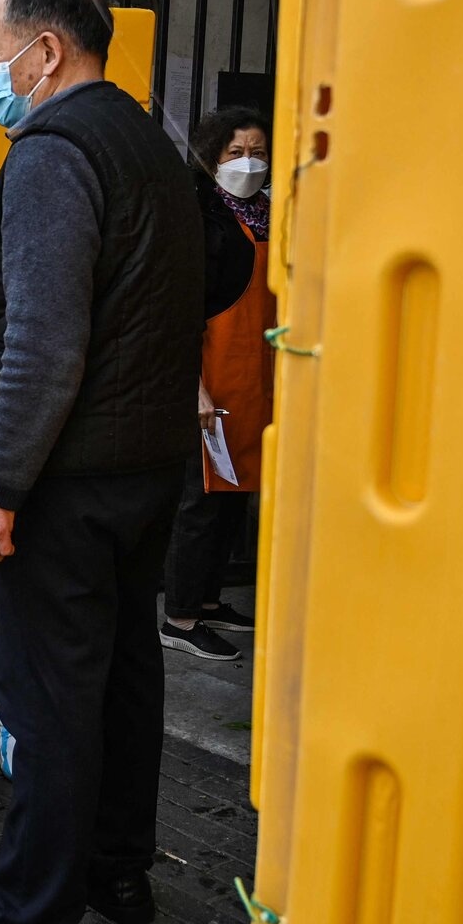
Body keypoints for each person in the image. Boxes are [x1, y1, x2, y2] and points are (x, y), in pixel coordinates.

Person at [0, 0, 203, 924]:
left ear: (44, 51)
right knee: (125, 678)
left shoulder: (50, 151)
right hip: (145, 466)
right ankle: (117, 875)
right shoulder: (150, 144)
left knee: (47, 701)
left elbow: (40, 344)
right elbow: (224, 266)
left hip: (66, 480)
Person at [161, 107, 274, 661]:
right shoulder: (198, 218)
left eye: (257, 152)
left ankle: (207, 601)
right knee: (201, 500)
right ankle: (179, 616)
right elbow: (177, 309)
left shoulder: (267, 216)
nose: (249, 163)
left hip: (254, 375)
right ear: (211, 158)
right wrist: (193, 388)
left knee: (235, 495)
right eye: (236, 153)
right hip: (211, 375)